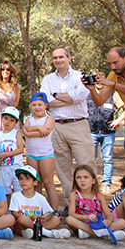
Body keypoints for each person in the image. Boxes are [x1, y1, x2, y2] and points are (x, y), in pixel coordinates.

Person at [40, 46, 94, 201]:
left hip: (78, 125)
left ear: (69, 58)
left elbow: (79, 96)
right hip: (56, 127)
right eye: (55, 58)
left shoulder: (80, 77)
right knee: (63, 168)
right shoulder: (48, 79)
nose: (58, 60)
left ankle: (90, 202)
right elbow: (45, 100)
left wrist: (55, 96)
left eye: (61, 57)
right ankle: (71, 203)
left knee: (86, 165)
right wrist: (68, 98)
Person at [64, 164, 125, 241]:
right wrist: (86, 217)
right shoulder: (74, 195)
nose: (82, 180)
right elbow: (71, 214)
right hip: (83, 223)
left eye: (86, 177)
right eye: (78, 178)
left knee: (123, 222)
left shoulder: (99, 196)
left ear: (93, 180)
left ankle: (89, 233)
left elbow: (108, 214)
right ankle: (104, 235)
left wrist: (108, 221)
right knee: (69, 219)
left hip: (98, 224)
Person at [9, 165, 71, 239]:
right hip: (23, 224)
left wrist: (43, 217)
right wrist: (30, 217)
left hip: (39, 222)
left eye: (27, 179)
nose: (23, 181)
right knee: (22, 219)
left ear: (35, 182)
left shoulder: (40, 197)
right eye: (21, 179)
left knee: (56, 219)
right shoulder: (16, 196)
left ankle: (35, 231)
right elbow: (15, 213)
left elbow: (48, 212)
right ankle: (47, 233)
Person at [22, 92, 59, 209]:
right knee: (35, 183)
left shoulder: (50, 119)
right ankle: (39, 209)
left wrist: (29, 133)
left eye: (40, 105)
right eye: (34, 105)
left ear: (46, 106)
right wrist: (38, 127)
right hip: (31, 155)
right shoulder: (28, 119)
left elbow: (45, 132)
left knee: (48, 183)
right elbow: (27, 128)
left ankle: (54, 210)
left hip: (46, 155)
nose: (37, 107)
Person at [86, 86, 117, 193]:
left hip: (108, 133)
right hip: (91, 131)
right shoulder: (87, 94)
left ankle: (107, 184)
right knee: (89, 159)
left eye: (101, 77)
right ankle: (90, 185)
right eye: (96, 78)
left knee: (108, 159)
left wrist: (117, 121)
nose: (98, 81)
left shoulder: (112, 94)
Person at [0, 106, 24, 199]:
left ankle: (19, 209)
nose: (8, 122)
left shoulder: (16, 133)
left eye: (12, 120)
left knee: (19, 189)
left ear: (16, 123)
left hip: (16, 166)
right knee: (5, 191)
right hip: (3, 168)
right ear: (1, 118)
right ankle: (6, 210)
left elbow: (21, 149)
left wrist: (6, 154)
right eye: (6, 118)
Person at [0, 61, 21, 137]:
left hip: (11, 116)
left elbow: (16, 103)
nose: (5, 71)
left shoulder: (16, 87)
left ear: (11, 72)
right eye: (3, 69)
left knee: (12, 142)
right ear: (0, 71)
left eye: (8, 69)